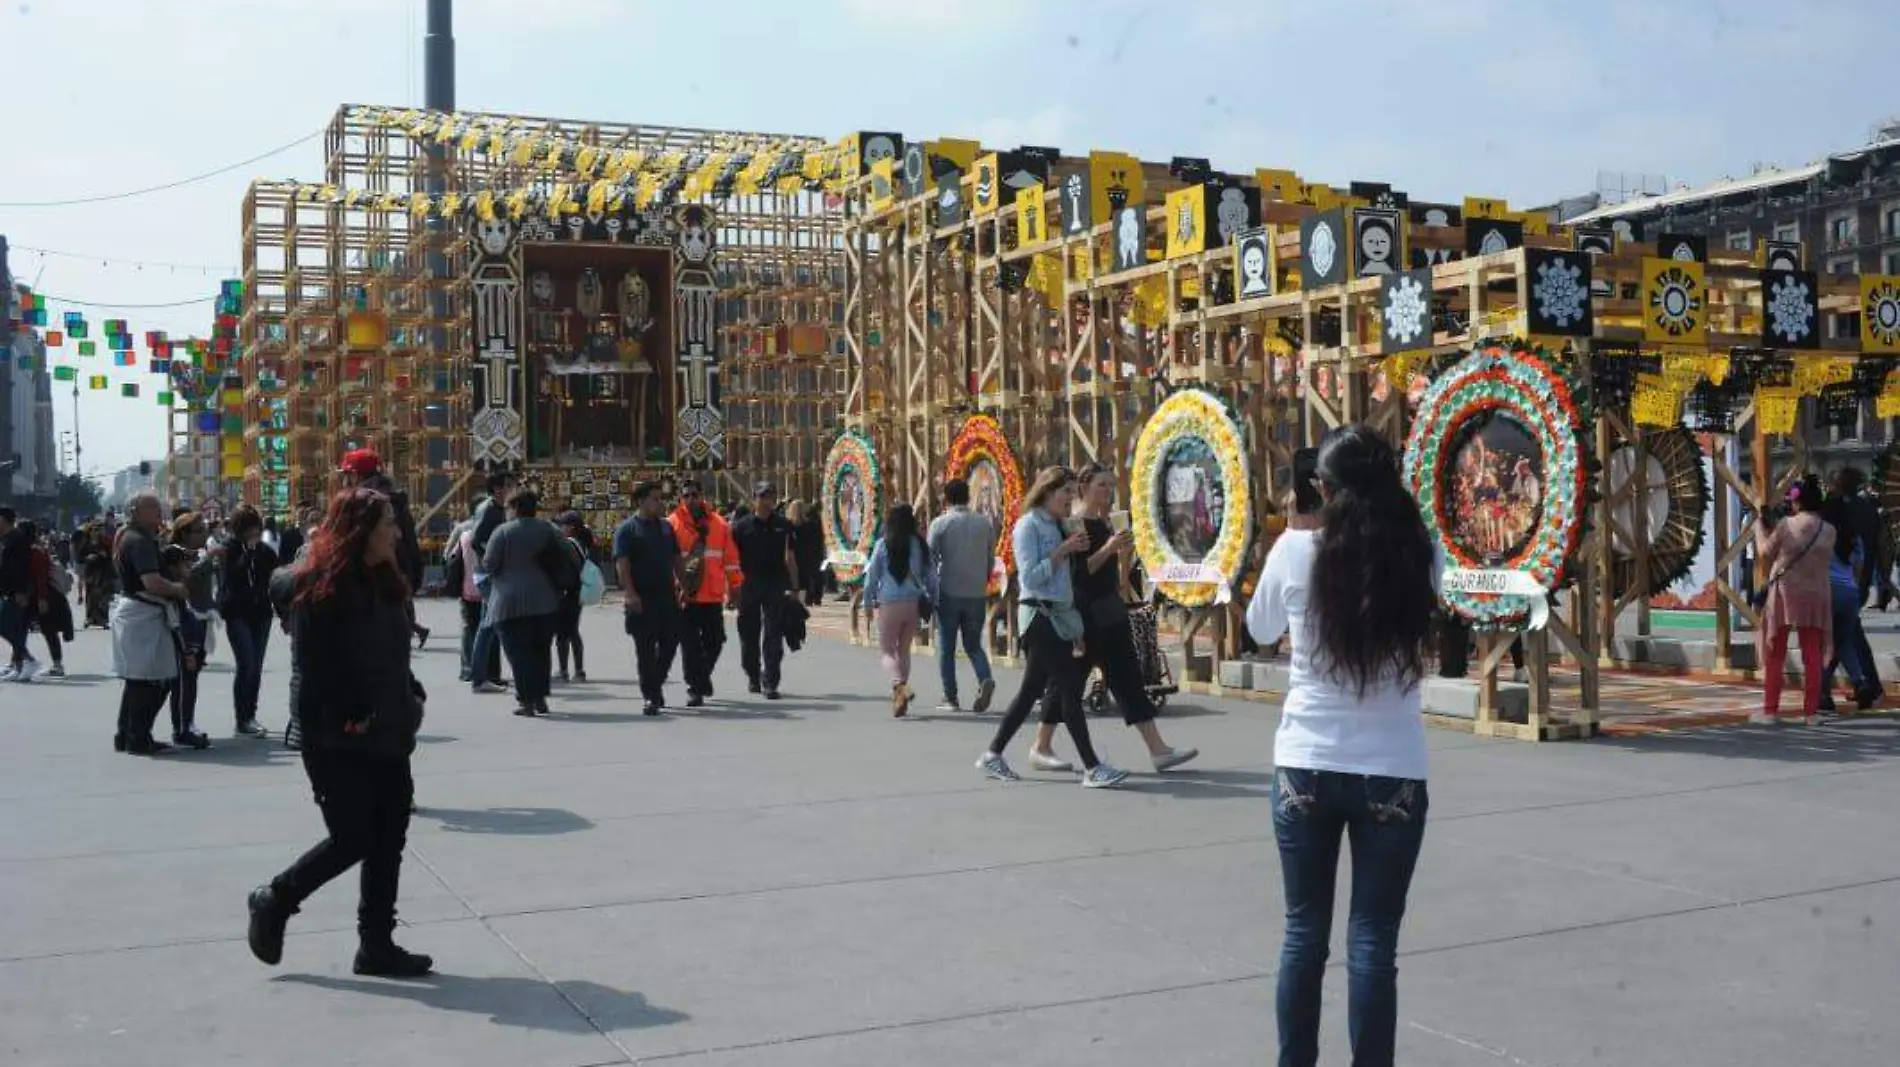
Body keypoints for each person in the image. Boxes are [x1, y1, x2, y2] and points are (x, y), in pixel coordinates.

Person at [1244, 425, 1439, 1067]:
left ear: (1320, 489)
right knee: (1373, 942)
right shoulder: (1418, 553)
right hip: (1392, 768)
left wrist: (1296, 532)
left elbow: (1260, 627)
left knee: (1303, 934)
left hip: (1306, 762)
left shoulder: (1294, 551)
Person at [246, 488, 433, 978]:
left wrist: (410, 694)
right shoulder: (320, 590)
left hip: (390, 728)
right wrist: (353, 712)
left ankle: (376, 944)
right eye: (387, 523)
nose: (396, 532)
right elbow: (316, 669)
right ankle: (276, 898)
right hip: (336, 736)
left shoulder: (385, 580)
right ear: (358, 530)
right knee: (353, 837)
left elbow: (390, 652)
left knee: (390, 835)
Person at [1031, 463, 1198, 772]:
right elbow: (1079, 573)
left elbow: (1109, 572)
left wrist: (1120, 552)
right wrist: (1109, 548)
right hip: (1085, 612)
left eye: (1111, 485)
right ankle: (1041, 744)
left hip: (1110, 610)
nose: (1108, 492)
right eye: (1101, 485)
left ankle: (1158, 749)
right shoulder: (1075, 523)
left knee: (1127, 676)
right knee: (1067, 681)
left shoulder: (1107, 521)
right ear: (1084, 487)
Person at [975, 467, 1126, 788]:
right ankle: (1092, 767)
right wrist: (1062, 551)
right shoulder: (1028, 526)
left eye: (1074, 492)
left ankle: (993, 754)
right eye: (1066, 492)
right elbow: (1030, 577)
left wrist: (1076, 551)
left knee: (1031, 691)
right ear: (1047, 491)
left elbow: (1069, 579)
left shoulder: (1059, 525)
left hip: (1060, 615)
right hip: (1039, 616)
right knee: (1070, 690)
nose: (1071, 499)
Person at [111, 492, 189, 754]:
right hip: (145, 613)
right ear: (136, 511)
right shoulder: (138, 541)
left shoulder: (127, 535)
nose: (160, 513)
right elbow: (152, 582)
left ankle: (127, 734)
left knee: (137, 679)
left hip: (136, 612)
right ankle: (138, 737)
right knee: (154, 680)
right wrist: (178, 589)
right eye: (153, 508)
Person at [1754, 477, 1835, 724]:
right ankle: (1810, 712)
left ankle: (1770, 711)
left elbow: (1765, 552)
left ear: (1798, 501)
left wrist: (1759, 527)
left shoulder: (1786, 524)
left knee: (1775, 651)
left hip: (1785, 592)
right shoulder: (1829, 530)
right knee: (1812, 653)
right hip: (1816, 593)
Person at [483, 490, 564, 717]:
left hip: (509, 602)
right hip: (544, 599)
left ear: (515, 508)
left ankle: (526, 700)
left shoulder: (503, 532)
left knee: (518, 653)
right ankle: (540, 698)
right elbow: (565, 554)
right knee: (540, 651)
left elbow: (489, 563)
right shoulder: (548, 529)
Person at [345, 450, 430, 650]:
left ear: (357, 475)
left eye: (347, 475)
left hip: (368, 587)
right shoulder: (398, 503)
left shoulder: (358, 504)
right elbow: (412, 548)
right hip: (396, 583)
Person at [927, 478, 998, 714]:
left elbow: (930, 558)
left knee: (946, 647)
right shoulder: (983, 523)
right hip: (976, 592)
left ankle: (951, 697)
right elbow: (990, 557)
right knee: (973, 645)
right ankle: (984, 677)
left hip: (949, 590)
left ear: (946, 498)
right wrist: (984, 578)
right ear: (969, 496)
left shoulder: (940, 523)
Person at [669, 478, 742, 707]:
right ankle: (695, 688)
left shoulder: (720, 525)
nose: (690, 499)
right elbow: (668, 561)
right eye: (686, 495)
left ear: (701, 496)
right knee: (690, 646)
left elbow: (730, 560)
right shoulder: (672, 524)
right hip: (686, 595)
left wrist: (735, 587)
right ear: (681, 498)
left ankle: (701, 677)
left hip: (712, 593)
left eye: (694, 494)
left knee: (716, 640)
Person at [614, 482, 680, 715]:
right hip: (641, 597)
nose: (659, 503)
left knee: (670, 643)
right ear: (641, 501)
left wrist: (682, 583)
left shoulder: (665, 528)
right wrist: (630, 593)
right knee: (645, 649)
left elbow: (676, 558)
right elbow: (623, 565)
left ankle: (656, 682)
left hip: (666, 595)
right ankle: (651, 696)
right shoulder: (628, 530)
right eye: (655, 499)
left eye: (661, 498)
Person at [863, 503, 935, 717]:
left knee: (886, 650)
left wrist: (867, 603)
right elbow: (932, 576)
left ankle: (899, 686)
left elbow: (871, 577)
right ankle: (899, 697)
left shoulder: (883, 545)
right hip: (912, 604)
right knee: (903, 650)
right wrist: (934, 599)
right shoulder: (920, 545)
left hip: (889, 604)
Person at [731, 481, 801, 700]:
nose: (767, 501)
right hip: (748, 583)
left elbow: (790, 558)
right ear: (754, 498)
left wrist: (795, 587)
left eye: (770, 496)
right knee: (748, 634)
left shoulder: (783, 525)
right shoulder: (740, 527)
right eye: (763, 496)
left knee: (773, 634)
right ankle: (753, 674)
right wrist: (731, 589)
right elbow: (731, 560)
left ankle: (770, 681)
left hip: (774, 583)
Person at [220, 505, 281, 738]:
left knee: (256, 666)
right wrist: (247, 554)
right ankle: (242, 718)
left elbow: (277, 578)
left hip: (261, 613)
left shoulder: (265, 551)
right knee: (246, 663)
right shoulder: (229, 549)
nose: (253, 532)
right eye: (248, 528)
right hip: (237, 612)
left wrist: (284, 614)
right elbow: (231, 577)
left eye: (256, 527)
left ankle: (250, 714)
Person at [1819, 493, 1881, 712]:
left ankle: (1822, 692)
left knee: (1824, 644)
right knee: (1844, 643)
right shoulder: (1853, 538)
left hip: (1827, 592)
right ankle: (1860, 682)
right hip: (1850, 593)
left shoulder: (1822, 534)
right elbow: (1858, 571)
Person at [166, 514, 222, 749]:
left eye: (204, 530)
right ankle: (181, 729)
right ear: (184, 533)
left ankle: (187, 722)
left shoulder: (196, 554)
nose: (204, 534)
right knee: (184, 676)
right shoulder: (175, 553)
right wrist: (209, 559)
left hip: (201, 618)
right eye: (198, 531)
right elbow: (186, 580)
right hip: (185, 620)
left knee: (192, 675)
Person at [468, 471, 519, 694]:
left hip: (490, 572)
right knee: (489, 625)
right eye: (509, 485)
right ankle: (479, 678)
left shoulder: (498, 509)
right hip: (488, 574)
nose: (513, 489)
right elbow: (477, 540)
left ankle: (484, 675)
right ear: (498, 489)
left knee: (487, 624)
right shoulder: (488, 510)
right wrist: (493, 560)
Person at [20, 521, 75, 678]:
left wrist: (42, 598)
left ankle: (57, 665)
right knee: (21, 628)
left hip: (44, 596)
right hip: (35, 596)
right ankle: (20, 661)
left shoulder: (35, 552)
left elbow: (41, 577)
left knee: (48, 630)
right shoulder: (28, 550)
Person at [553, 511, 591, 682]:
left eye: (563, 525)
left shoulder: (568, 544)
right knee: (573, 631)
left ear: (571, 527)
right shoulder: (581, 543)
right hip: (577, 593)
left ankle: (564, 670)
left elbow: (567, 571)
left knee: (562, 634)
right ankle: (579, 670)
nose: (560, 528)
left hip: (568, 593)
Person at [0, 506, 35, 682]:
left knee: (7, 625)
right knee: (15, 628)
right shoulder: (6, 538)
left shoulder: (17, 539)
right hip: (8, 590)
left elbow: (20, 568)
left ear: (4, 519)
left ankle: (27, 660)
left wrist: (21, 591)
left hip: (17, 591)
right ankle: (20, 663)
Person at [788, 499, 827, 607]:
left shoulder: (792, 525)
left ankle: (806, 599)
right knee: (807, 577)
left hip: (802, 555)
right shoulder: (792, 525)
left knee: (804, 578)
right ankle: (808, 598)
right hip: (805, 555)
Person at [78, 525, 116, 629]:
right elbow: (79, 557)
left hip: (102, 572)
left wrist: (104, 555)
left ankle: (103, 619)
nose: (95, 532)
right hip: (90, 572)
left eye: (96, 530)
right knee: (90, 596)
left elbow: (110, 556)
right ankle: (90, 618)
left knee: (102, 596)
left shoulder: (104, 543)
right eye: (93, 530)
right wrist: (87, 557)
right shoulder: (86, 543)